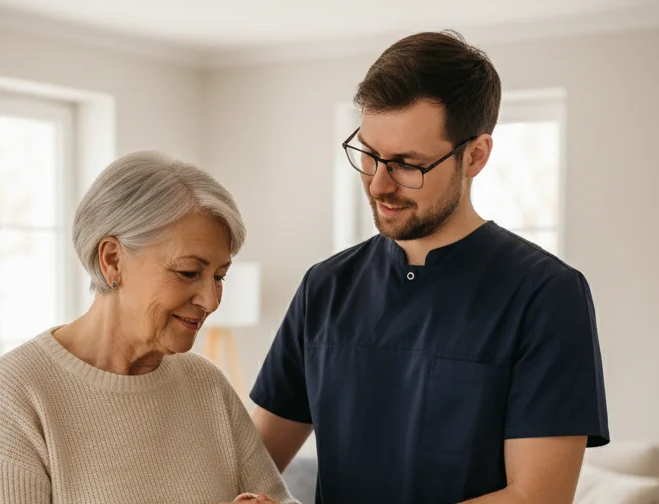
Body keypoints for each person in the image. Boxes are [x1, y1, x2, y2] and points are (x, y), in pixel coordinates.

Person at [250, 31, 609, 503]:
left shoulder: (546, 294)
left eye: (405, 164)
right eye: (369, 155)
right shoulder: (325, 286)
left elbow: (537, 497)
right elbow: (249, 465)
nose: (378, 185)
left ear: (475, 156)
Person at [0, 151, 297, 504]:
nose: (211, 301)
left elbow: (277, 499)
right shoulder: (19, 392)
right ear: (112, 260)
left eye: (220, 276)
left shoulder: (206, 384)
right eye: (188, 272)